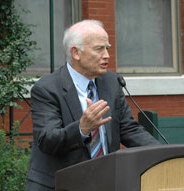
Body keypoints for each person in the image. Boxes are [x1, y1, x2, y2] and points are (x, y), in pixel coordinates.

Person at [25, 19, 160, 191]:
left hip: (104, 183)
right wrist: (82, 129)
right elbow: (47, 140)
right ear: (76, 53)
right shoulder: (47, 88)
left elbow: (128, 129)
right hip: (60, 185)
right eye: (99, 49)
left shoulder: (111, 82)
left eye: (107, 48)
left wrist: (164, 155)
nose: (107, 55)